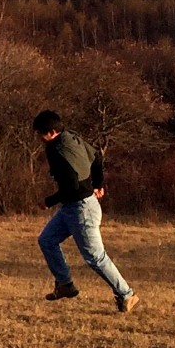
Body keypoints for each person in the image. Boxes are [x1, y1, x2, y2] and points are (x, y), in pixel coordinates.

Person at [31, 110, 138, 314]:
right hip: (73, 206)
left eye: (41, 134)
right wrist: (98, 183)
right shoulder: (72, 137)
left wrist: (49, 201)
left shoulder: (58, 151)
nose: (39, 138)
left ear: (52, 132)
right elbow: (96, 157)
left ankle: (126, 295)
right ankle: (65, 285)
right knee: (46, 240)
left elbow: (71, 186)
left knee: (96, 258)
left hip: (81, 209)